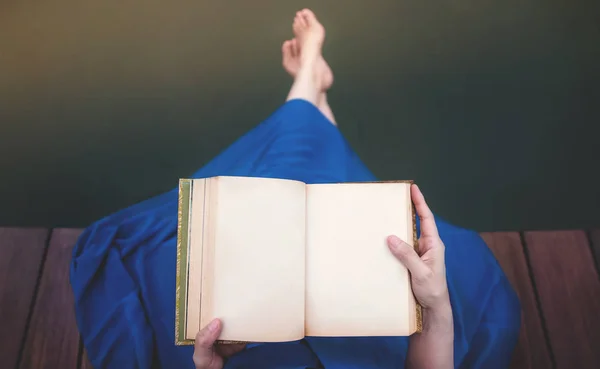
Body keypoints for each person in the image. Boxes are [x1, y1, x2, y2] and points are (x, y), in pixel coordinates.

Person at [70, 9, 521, 369]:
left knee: (275, 187)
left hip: (251, 340)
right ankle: (310, 93)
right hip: (368, 336)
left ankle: (309, 91)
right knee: (317, 197)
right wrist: (437, 311)